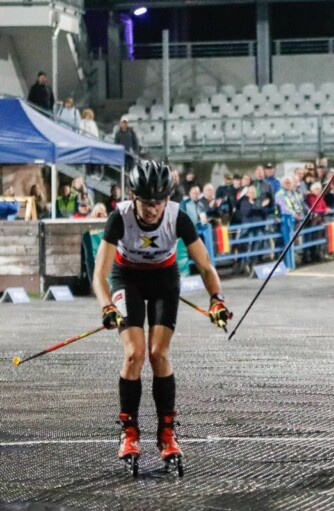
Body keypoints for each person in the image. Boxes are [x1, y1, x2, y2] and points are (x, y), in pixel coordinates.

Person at [92, 160, 231, 472]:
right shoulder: (120, 217)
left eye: (158, 203)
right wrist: (107, 307)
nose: (153, 209)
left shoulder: (178, 217)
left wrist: (217, 300)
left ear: (167, 199)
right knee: (133, 354)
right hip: (127, 279)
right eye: (146, 203)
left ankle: (167, 434)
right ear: (134, 197)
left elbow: (206, 266)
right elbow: (99, 274)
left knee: (158, 353)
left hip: (164, 281)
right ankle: (129, 433)